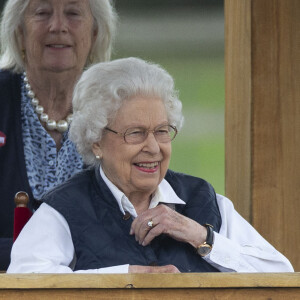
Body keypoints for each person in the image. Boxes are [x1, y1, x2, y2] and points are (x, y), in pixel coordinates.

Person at [8, 57, 294, 273]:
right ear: (96, 141)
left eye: (161, 131)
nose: (154, 147)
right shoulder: (66, 207)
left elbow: (281, 274)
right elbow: (26, 278)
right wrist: (129, 277)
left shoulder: (202, 200)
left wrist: (200, 237)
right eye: (135, 133)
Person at [0, 0, 116, 270]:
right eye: (42, 13)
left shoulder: (119, 108)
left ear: (95, 33)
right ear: (20, 32)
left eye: (73, 13)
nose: (58, 26)